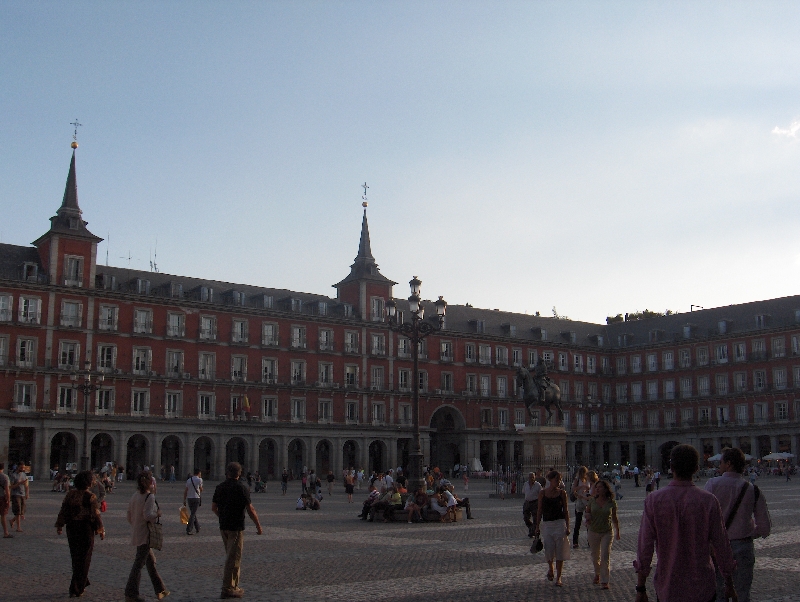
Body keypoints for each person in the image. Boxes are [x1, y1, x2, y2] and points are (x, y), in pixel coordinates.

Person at [635, 444, 737, 602]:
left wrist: (641, 588)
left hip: (668, 586)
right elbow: (722, 545)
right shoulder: (708, 501)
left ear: (671, 467)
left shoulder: (654, 501)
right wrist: (729, 583)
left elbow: (645, 547)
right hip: (702, 587)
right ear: (696, 468)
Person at [705, 447, 771, 602]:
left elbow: (704, 517)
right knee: (742, 593)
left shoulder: (712, 485)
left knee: (716, 593)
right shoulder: (753, 490)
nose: (719, 465)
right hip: (743, 547)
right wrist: (747, 533)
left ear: (728, 464)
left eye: (721, 462)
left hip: (716, 548)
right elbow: (765, 528)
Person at [212, 462, 263, 599]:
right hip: (236, 527)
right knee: (233, 558)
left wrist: (222, 516)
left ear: (227, 473)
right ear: (239, 474)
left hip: (224, 527)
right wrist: (258, 526)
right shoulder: (242, 488)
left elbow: (214, 507)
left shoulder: (220, 487)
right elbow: (250, 509)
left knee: (233, 557)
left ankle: (234, 586)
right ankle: (227, 588)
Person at [55, 470, 105, 598]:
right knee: (85, 558)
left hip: (72, 528)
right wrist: (101, 530)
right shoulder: (91, 496)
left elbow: (63, 509)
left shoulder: (70, 494)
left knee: (76, 557)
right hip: (85, 529)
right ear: (88, 483)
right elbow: (95, 515)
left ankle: (80, 582)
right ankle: (77, 587)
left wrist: (60, 525)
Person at [125, 472, 169, 602]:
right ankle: (131, 593)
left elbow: (128, 514)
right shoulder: (149, 497)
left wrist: (135, 525)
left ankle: (160, 590)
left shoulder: (135, 495)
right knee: (138, 564)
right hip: (145, 534)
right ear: (150, 483)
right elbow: (148, 515)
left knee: (150, 563)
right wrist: (158, 514)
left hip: (137, 532)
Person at [535, 470, 571, 587]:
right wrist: (537, 527)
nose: (559, 482)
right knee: (549, 549)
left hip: (560, 523)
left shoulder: (562, 493)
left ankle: (559, 577)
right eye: (557, 480)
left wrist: (568, 526)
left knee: (560, 552)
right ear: (550, 480)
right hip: (548, 524)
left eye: (560, 480)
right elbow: (539, 510)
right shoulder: (542, 493)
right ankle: (550, 567)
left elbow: (566, 511)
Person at [584, 479, 620, 590]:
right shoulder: (591, 501)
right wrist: (587, 517)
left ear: (605, 489)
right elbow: (587, 512)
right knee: (595, 556)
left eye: (599, 487)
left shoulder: (611, 502)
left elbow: (614, 518)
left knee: (605, 555)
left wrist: (618, 531)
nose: (597, 489)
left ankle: (605, 580)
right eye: (596, 487)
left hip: (607, 531)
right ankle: (597, 573)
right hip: (593, 531)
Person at [571, 466, 589, 548]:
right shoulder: (577, 479)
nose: (584, 474)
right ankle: (575, 541)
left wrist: (587, 489)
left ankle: (590, 541)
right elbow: (573, 489)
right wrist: (581, 487)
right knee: (578, 522)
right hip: (579, 501)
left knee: (589, 522)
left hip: (587, 501)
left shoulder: (587, 479)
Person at [9, 464, 29, 533]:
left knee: (22, 512)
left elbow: (26, 485)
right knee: (18, 511)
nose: (23, 469)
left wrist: (27, 493)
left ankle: (12, 520)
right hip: (15, 494)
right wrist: (19, 483)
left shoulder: (24, 474)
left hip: (22, 494)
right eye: (21, 467)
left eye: (23, 467)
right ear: (18, 467)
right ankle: (18, 527)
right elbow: (11, 486)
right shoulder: (13, 475)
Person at [184, 469, 203, 535]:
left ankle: (197, 527)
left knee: (193, 513)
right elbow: (201, 489)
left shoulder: (189, 480)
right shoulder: (199, 480)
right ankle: (189, 529)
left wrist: (184, 499)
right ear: (199, 473)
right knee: (192, 514)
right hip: (196, 498)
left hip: (189, 498)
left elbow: (186, 490)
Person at [523, 472, 542, 538]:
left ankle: (533, 532)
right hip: (527, 502)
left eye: (532, 477)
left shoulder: (538, 485)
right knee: (526, 518)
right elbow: (524, 492)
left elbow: (541, 494)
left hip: (535, 502)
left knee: (535, 518)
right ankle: (531, 527)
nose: (531, 479)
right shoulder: (525, 484)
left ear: (535, 477)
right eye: (530, 477)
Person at [0, 463, 10, 538]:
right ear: (3, 468)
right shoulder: (5, 477)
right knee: (3, 515)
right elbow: (7, 490)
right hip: (2, 497)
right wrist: (8, 500)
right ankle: (6, 532)